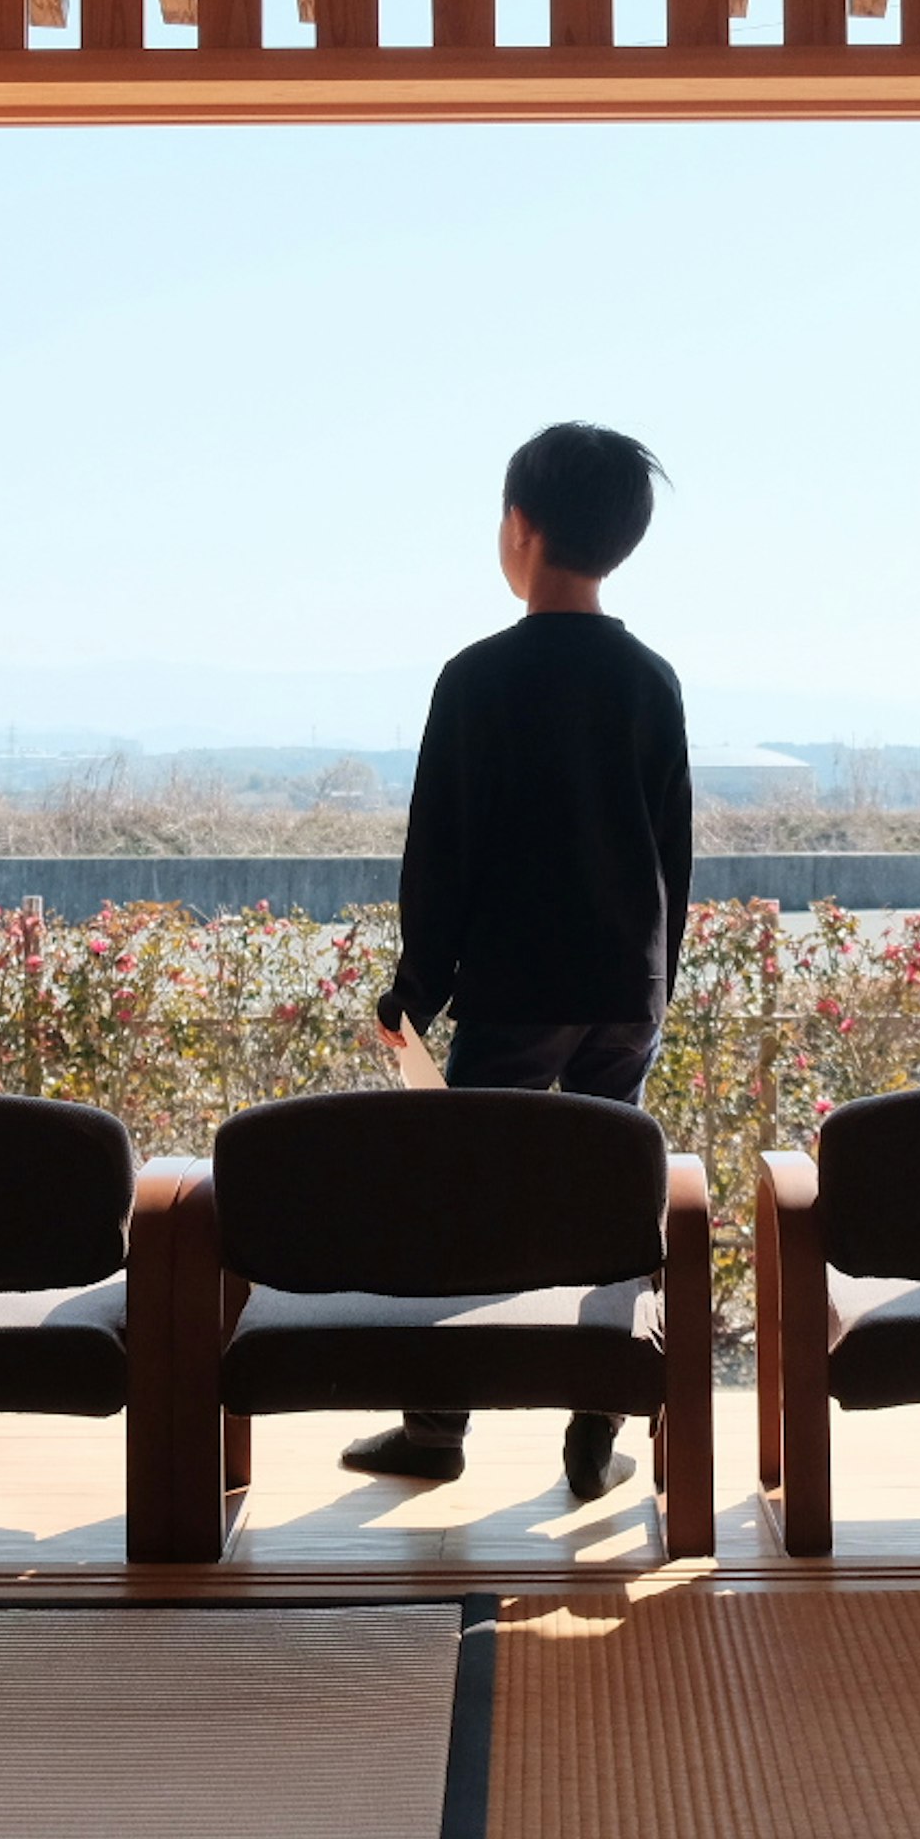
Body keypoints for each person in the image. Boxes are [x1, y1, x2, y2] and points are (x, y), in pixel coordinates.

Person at [343, 420, 691, 1503]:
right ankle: (596, 1430)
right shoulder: (650, 679)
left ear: (519, 531)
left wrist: (417, 987)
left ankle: (438, 1425)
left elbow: (442, 849)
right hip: (623, 990)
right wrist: (653, 979)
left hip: (518, 987)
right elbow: (671, 854)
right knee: (605, 1201)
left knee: (471, 1197)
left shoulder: (479, 679)